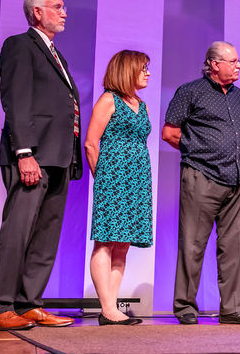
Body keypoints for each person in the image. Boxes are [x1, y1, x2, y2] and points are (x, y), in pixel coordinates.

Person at [0, 0, 82, 331]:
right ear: (37, 12)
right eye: (58, 6)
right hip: (32, 156)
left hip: (57, 157)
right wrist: (24, 152)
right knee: (19, 230)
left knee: (46, 234)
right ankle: (0, 306)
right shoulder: (20, 45)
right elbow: (17, 101)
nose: (64, 11)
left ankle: (28, 303)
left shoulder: (56, 54)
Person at [162, 41, 240, 325]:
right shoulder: (190, 91)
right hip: (201, 175)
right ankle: (185, 308)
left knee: (234, 246)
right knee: (192, 244)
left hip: (237, 179)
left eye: (238, 61)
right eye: (233, 61)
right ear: (215, 64)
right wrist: (199, 151)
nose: (239, 65)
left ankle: (232, 309)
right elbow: (169, 133)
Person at [85, 50, 153, 326]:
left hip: (138, 180)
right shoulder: (108, 100)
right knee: (106, 241)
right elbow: (91, 143)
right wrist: (103, 179)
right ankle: (107, 308)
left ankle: (111, 309)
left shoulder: (142, 104)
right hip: (112, 178)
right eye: (143, 68)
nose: (148, 73)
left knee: (123, 245)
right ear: (128, 70)